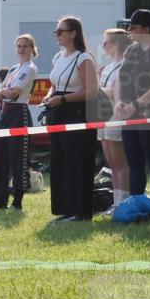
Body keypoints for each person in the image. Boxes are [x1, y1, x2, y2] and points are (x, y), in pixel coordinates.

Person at [42, 16, 98, 222]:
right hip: (58, 112)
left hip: (77, 113)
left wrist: (63, 99)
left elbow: (92, 91)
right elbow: (55, 84)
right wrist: (50, 96)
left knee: (77, 161)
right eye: (55, 31)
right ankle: (65, 208)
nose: (57, 35)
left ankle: (80, 211)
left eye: (60, 31)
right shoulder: (58, 58)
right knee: (60, 161)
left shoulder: (83, 58)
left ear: (73, 33)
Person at [0, 34, 39, 212]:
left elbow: (13, 93)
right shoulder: (14, 69)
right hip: (5, 114)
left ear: (32, 48)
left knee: (18, 160)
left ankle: (17, 202)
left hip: (19, 114)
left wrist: (2, 92)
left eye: (25, 46)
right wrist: (3, 92)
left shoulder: (30, 68)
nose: (21, 49)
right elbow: (0, 92)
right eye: (18, 46)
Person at [116, 8, 150, 196]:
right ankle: (137, 204)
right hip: (131, 116)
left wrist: (136, 104)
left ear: (146, 30)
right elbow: (121, 78)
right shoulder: (132, 50)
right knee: (134, 162)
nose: (129, 30)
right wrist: (119, 102)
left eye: (133, 26)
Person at [98, 28, 131, 211]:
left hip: (117, 117)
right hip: (104, 116)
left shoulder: (126, 65)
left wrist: (97, 90)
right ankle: (115, 201)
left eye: (106, 42)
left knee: (120, 163)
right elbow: (104, 89)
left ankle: (122, 203)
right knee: (110, 162)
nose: (103, 46)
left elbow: (116, 91)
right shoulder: (109, 67)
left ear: (116, 44)